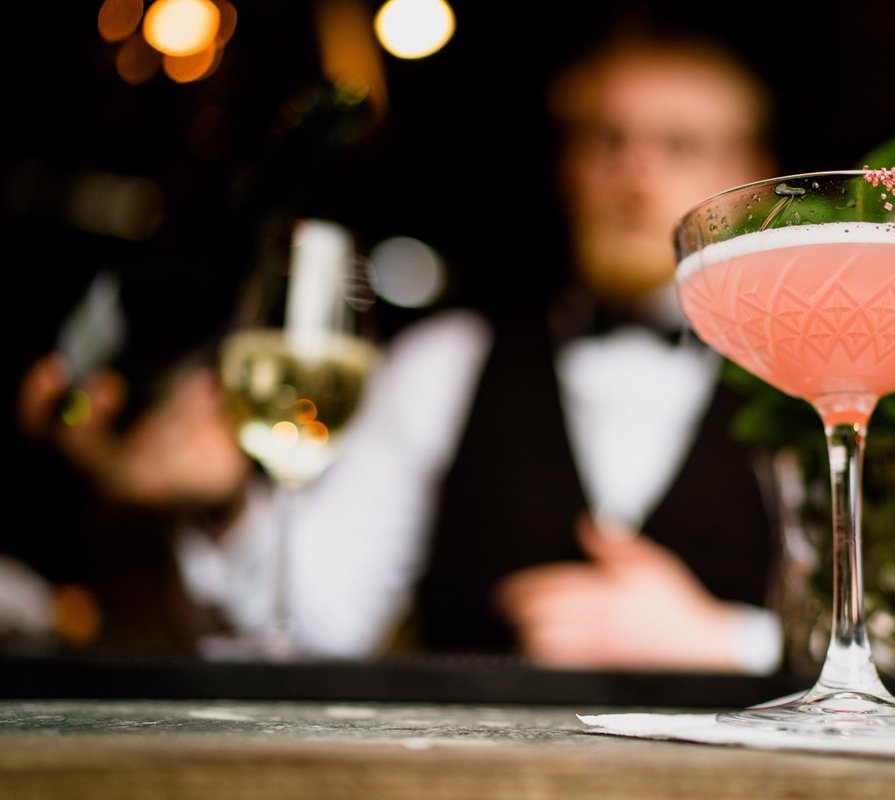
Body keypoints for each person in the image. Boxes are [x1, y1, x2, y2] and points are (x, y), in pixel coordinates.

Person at [16, 26, 788, 673]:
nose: (635, 171)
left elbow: (860, 639)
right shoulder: (447, 362)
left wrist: (730, 643)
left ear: (752, 179)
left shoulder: (802, 374)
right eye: (607, 140)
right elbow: (319, 630)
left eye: (681, 144)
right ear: (567, 169)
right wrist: (223, 505)